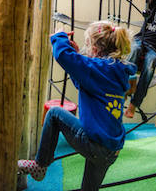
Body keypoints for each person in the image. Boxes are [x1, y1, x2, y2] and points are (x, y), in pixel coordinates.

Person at [17, 21, 136, 190]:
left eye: (88, 45)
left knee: (55, 113)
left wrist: (59, 37)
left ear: (95, 49)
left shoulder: (96, 69)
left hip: (95, 144)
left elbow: (63, 56)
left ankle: (40, 165)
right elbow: (84, 81)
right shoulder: (116, 71)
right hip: (111, 151)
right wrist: (76, 53)